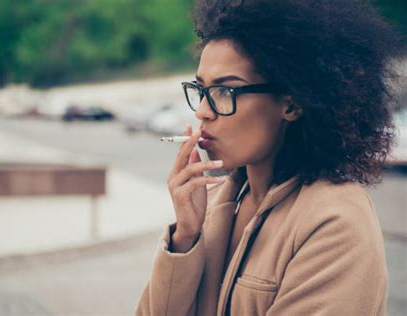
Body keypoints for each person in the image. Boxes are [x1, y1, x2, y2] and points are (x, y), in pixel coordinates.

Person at [135, 0, 405, 315]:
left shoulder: (334, 221)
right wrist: (185, 238)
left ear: (291, 104)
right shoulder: (208, 204)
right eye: (201, 89)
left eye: (226, 91)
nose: (202, 111)